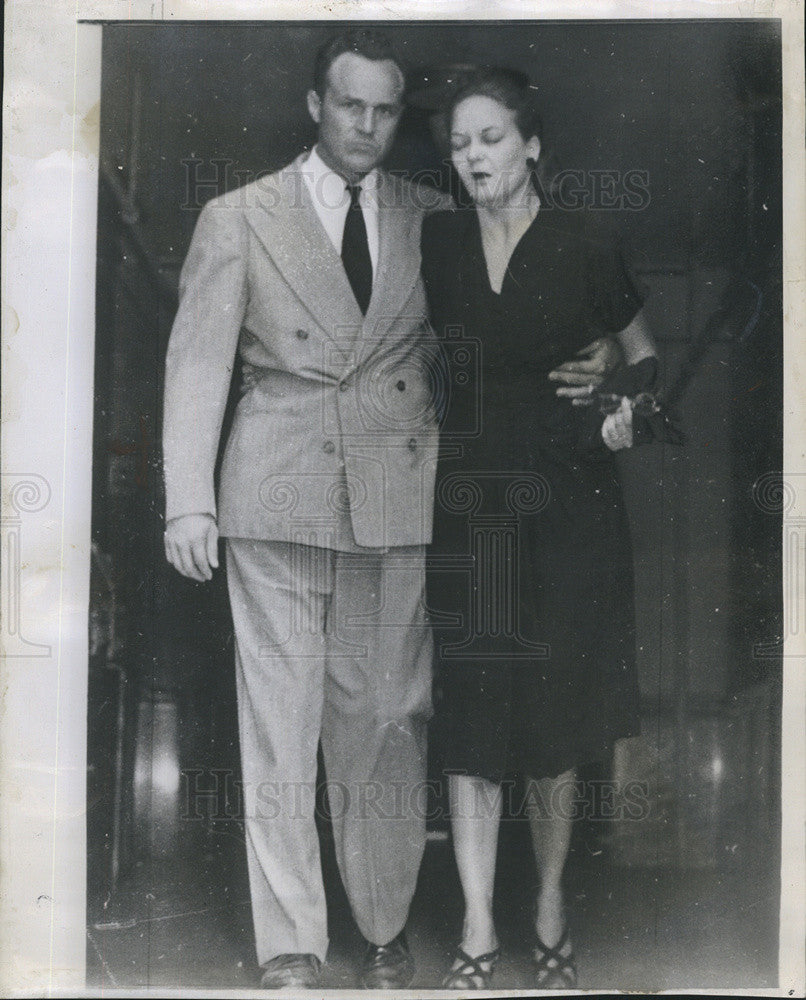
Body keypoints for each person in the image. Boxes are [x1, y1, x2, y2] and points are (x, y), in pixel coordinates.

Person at [163, 31, 621, 990]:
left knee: (387, 719)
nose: (368, 127)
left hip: (399, 498)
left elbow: (511, 312)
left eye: (385, 111)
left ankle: (378, 925)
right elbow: (198, 361)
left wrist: (606, 362)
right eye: (350, 106)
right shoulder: (236, 216)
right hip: (272, 496)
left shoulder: (435, 218)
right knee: (279, 724)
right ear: (314, 105)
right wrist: (186, 502)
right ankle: (290, 943)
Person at [419, 67, 657, 990]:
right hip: (471, 506)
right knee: (474, 718)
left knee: (556, 725)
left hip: (571, 511)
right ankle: (479, 924)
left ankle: (549, 900)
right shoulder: (435, 241)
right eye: (458, 144)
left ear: (532, 145)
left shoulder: (590, 239)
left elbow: (642, 360)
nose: (472, 156)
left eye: (489, 137)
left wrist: (614, 385)